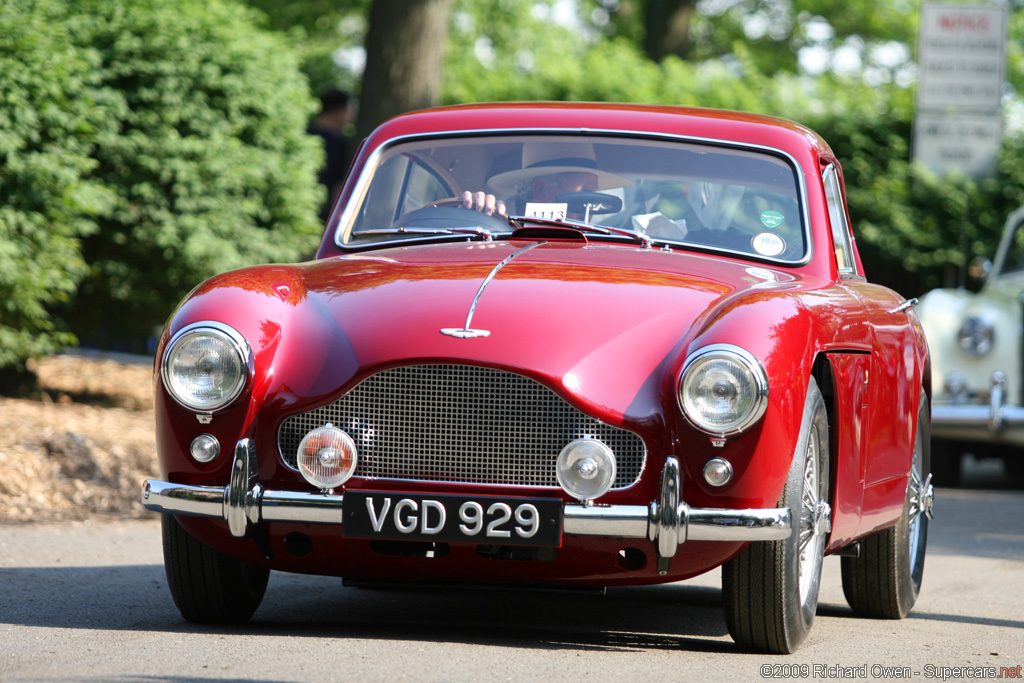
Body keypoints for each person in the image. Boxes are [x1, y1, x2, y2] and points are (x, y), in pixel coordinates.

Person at [461, 141, 630, 218]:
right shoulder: (494, 221)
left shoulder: (601, 241)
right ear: (541, 189)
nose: (592, 205)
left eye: (595, 193)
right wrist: (476, 214)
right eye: (585, 192)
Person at [308, 90, 357, 220]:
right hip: (324, 211)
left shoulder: (304, 134)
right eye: (350, 111)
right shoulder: (339, 144)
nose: (351, 117)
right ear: (341, 111)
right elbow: (338, 184)